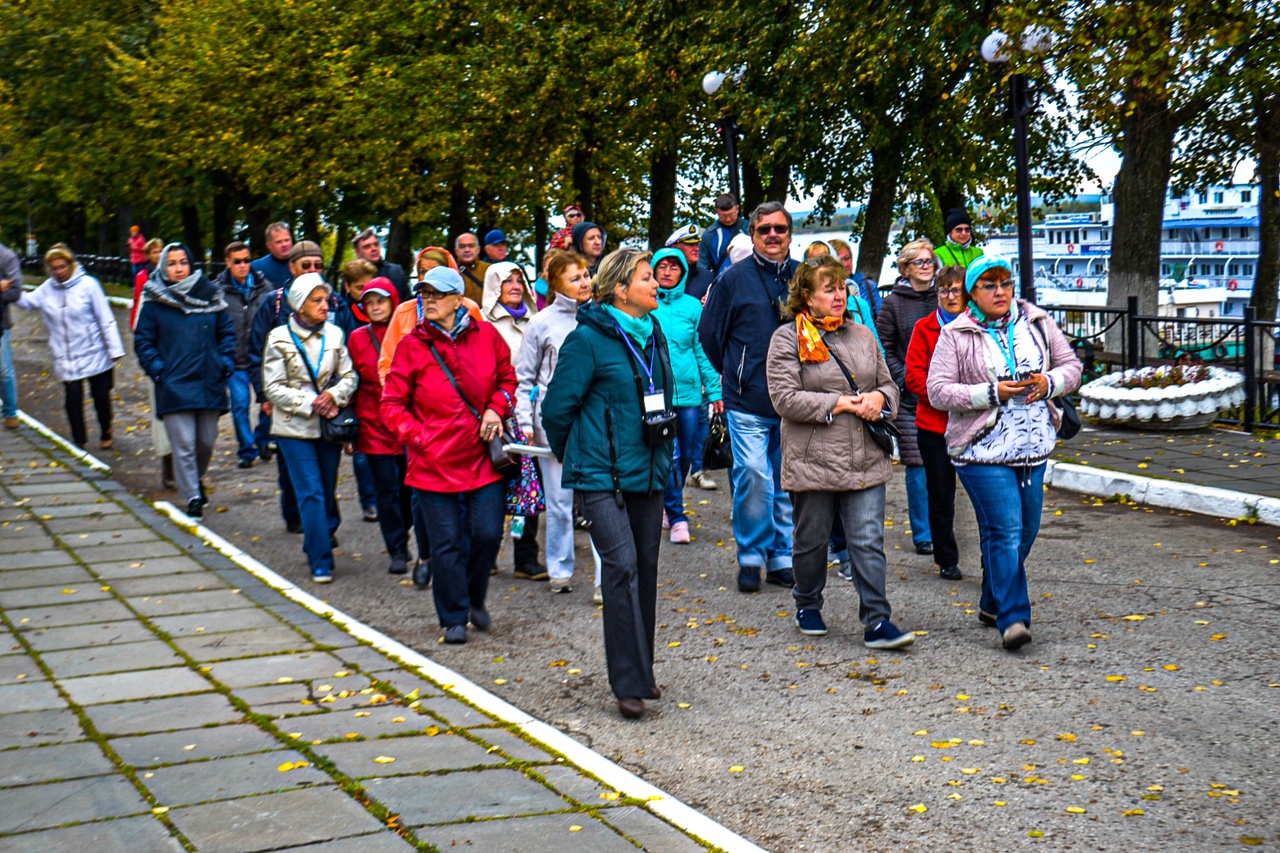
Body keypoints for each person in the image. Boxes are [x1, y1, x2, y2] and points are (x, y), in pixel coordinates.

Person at [541, 248, 674, 720]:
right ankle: (628, 683)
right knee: (619, 568)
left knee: (646, 569)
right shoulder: (588, 339)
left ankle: (642, 669)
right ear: (621, 289)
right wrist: (579, 456)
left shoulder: (652, 331)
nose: (656, 283)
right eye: (646, 277)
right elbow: (556, 410)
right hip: (601, 477)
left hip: (650, 470)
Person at [927, 256, 1081, 650]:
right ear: (972, 294)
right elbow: (938, 390)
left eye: (1005, 283)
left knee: (1025, 533)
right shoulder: (956, 334)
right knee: (1004, 531)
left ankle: (992, 601)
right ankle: (1014, 619)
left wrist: (1047, 383)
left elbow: (1072, 367)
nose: (1000, 292)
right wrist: (991, 393)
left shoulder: (1038, 322)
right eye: (989, 285)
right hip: (982, 449)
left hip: (1033, 446)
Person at [766, 256, 914, 648]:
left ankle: (878, 621)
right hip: (813, 459)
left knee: (867, 539)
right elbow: (784, 399)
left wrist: (880, 398)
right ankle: (807, 601)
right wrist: (842, 403)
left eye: (842, 286)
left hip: (866, 455)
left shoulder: (863, 335)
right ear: (806, 298)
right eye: (828, 288)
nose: (839, 295)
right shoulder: (786, 338)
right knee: (811, 539)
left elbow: (890, 385)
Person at [381, 266, 517, 644]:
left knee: (488, 535)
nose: (429, 300)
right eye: (425, 294)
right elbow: (391, 403)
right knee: (446, 544)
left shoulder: (487, 335)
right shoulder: (411, 345)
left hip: (480, 458)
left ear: (460, 300)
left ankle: (475, 598)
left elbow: (508, 380)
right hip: (432, 463)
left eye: (438, 294)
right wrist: (419, 437)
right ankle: (453, 617)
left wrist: (495, 408)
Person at [698, 202, 798, 593]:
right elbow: (709, 334)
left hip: (793, 401)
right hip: (746, 399)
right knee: (754, 476)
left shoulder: (802, 276)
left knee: (786, 480)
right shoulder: (733, 279)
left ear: (789, 234)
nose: (772, 236)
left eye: (780, 229)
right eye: (764, 230)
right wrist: (734, 371)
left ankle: (781, 556)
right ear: (752, 234)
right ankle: (751, 555)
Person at [515, 251, 603, 596]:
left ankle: (603, 577)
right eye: (575, 278)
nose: (584, 283)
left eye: (585, 275)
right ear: (555, 285)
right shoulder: (541, 323)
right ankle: (560, 568)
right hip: (553, 421)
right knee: (560, 502)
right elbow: (524, 380)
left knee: (601, 500)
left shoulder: (600, 316)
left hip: (594, 419)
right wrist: (524, 421)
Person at [262, 273, 358, 583]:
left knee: (327, 491)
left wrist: (334, 395)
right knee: (311, 493)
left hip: (329, 424)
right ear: (299, 306)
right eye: (315, 301)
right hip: (293, 427)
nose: (324, 306)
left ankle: (314, 540)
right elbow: (273, 388)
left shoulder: (335, 334)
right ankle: (321, 560)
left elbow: (349, 376)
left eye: (325, 299)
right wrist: (311, 403)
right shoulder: (278, 337)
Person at [134, 243, 236, 518]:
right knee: (183, 445)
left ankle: (196, 480)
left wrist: (224, 362)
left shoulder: (210, 296)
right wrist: (158, 370)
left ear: (191, 264)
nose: (178, 268)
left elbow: (226, 333)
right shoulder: (155, 300)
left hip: (209, 380)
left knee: (206, 441)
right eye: (171, 263)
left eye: (183, 262)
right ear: (163, 266)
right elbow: (143, 340)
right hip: (174, 383)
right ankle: (192, 495)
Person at [249, 240, 335, 534]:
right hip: (284, 397)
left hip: (327, 399)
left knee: (325, 467)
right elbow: (256, 352)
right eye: (306, 265)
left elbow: (344, 349)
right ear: (292, 267)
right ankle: (295, 515)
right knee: (290, 463)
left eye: (318, 266)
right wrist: (263, 394)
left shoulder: (333, 302)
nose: (312, 270)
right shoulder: (274, 302)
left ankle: (324, 524)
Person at [347, 279, 426, 578]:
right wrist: (350, 428)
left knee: (409, 488)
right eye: (369, 302)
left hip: (407, 421)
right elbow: (351, 379)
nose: (376, 306)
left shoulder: (409, 330)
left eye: (381, 300)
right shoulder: (356, 337)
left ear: (394, 301)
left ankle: (410, 534)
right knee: (385, 489)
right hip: (372, 422)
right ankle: (396, 548)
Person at [16, 245, 124, 449]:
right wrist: (10, 290)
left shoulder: (89, 285)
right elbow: (28, 302)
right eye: (54, 268)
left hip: (94, 351)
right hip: (66, 354)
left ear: (71, 264)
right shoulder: (47, 289)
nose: (58, 272)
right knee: (72, 398)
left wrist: (114, 349)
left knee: (100, 395)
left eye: (62, 266)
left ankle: (106, 429)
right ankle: (79, 440)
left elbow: (106, 318)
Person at [651, 247, 722, 544]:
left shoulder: (694, 307)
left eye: (674, 267)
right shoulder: (646, 304)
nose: (667, 272)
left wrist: (715, 389)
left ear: (682, 272)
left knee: (687, 456)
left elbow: (701, 350)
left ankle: (669, 504)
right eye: (662, 267)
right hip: (656, 394)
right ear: (653, 271)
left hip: (690, 393)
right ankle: (678, 517)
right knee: (669, 455)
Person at [905, 264, 969, 582]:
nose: (949, 295)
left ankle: (993, 557)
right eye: (943, 290)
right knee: (940, 494)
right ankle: (946, 558)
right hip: (934, 425)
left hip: (975, 425)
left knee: (986, 495)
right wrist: (946, 396)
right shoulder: (924, 327)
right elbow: (914, 375)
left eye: (955, 289)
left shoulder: (978, 326)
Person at [482, 260, 545, 580]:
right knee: (492, 486)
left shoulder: (537, 321)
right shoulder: (483, 325)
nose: (516, 286)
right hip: (495, 417)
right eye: (508, 281)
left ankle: (525, 557)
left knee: (528, 490)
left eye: (520, 280)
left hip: (531, 418)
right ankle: (487, 554)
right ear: (495, 287)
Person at [875, 237, 938, 556]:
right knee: (917, 463)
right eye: (920, 262)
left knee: (943, 462)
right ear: (905, 268)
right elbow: (883, 346)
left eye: (930, 262)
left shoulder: (945, 297)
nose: (927, 267)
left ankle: (942, 526)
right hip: (911, 394)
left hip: (944, 392)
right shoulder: (894, 303)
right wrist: (904, 377)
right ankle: (923, 533)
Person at [215, 241, 271, 469]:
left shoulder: (264, 287)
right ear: (228, 262)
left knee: (268, 402)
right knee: (239, 404)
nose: (242, 265)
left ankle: (263, 438)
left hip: (262, 358)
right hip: (235, 359)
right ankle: (247, 450)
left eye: (246, 260)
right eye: (237, 261)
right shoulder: (217, 290)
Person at [830, 238, 884, 318]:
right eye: (840, 260)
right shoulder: (825, 290)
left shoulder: (868, 286)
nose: (845, 264)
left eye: (847, 258)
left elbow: (881, 319)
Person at [0, 239, 22, 429]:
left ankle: (10, 411)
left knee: (4, 370)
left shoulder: (6, 257)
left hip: (1, 322)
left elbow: (15, 292)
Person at [352, 228, 409, 301]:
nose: (373, 249)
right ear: (357, 253)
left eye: (376, 244)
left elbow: (408, 302)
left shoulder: (396, 271)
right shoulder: (352, 277)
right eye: (367, 246)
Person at [700, 193, 748, 277]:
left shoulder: (750, 229)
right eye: (723, 216)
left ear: (737, 209)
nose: (728, 219)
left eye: (731, 215)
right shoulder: (709, 235)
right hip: (722, 282)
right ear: (716, 212)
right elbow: (703, 266)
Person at [664, 225, 714, 301]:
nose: (696, 249)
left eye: (697, 244)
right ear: (674, 248)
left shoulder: (708, 277)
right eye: (690, 245)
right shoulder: (663, 275)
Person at [131, 238, 165, 328]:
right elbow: (137, 298)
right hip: (150, 317)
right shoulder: (142, 275)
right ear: (148, 255)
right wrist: (134, 322)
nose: (159, 255)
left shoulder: (169, 272)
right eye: (155, 252)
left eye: (160, 251)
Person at [251, 221, 295, 289]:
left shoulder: (304, 264)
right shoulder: (256, 268)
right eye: (279, 242)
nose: (284, 244)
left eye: (287, 240)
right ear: (269, 245)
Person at [454, 232, 490, 306]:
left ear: (478, 249)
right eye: (462, 247)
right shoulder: (451, 273)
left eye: (471, 246)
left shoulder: (490, 269)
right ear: (456, 251)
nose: (467, 250)